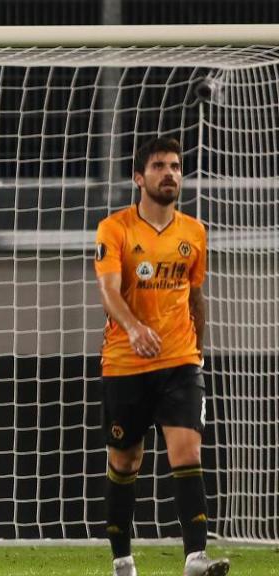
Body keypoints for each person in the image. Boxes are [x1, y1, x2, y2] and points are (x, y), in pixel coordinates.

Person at [95, 136, 229, 576]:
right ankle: (122, 559)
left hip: (180, 362)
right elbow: (109, 292)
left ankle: (195, 558)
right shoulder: (114, 229)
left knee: (188, 453)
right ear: (139, 177)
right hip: (126, 362)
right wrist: (134, 329)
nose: (170, 173)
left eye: (175, 166)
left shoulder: (195, 232)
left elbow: (196, 296)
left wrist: (199, 355)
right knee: (125, 461)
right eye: (159, 166)